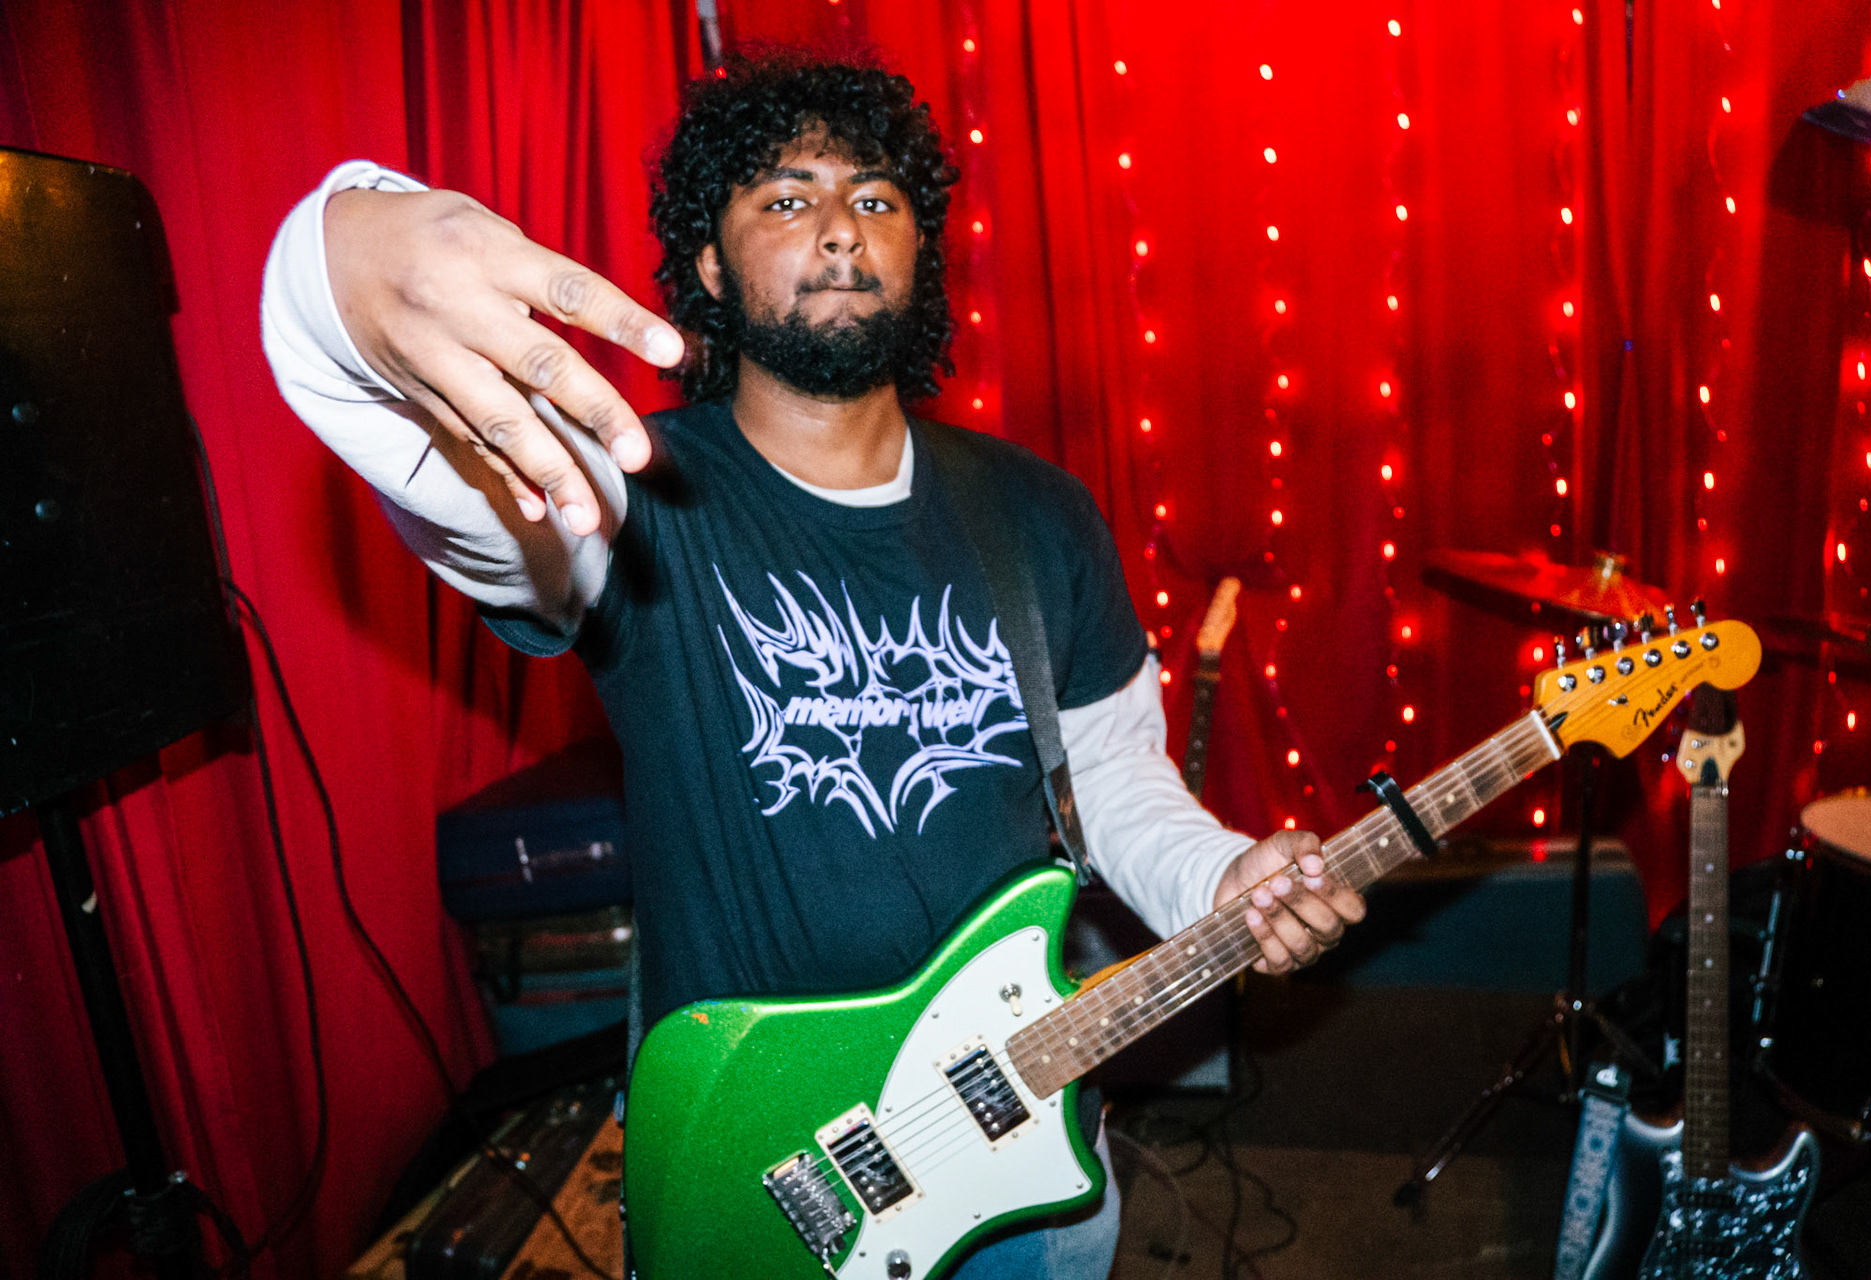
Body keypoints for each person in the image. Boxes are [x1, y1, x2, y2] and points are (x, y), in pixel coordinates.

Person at [262, 52, 1365, 1280]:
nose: (841, 225)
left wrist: (1217, 875)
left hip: (1027, 1155)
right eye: (787, 197)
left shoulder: (1037, 511)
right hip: (763, 1165)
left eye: (875, 197)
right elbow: (464, 500)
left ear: (920, 250)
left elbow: (1110, 772)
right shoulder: (626, 490)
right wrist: (332, 272)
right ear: (710, 266)